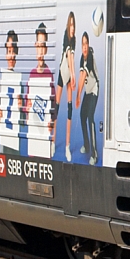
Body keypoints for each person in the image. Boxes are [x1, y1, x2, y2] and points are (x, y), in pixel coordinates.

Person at [26, 23, 56, 158]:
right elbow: (27, 109)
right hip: (34, 141)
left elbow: (53, 110)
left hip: (44, 142)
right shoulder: (31, 75)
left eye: (43, 46)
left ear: (46, 49)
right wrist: (27, 109)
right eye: (38, 46)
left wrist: (51, 126)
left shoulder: (49, 75)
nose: (40, 50)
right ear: (35, 46)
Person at [75, 31, 100, 165]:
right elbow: (80, 77)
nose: (84, 47)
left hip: (94, 89)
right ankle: (87, 144)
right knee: (82, 116)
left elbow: (84, 75)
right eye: (82, 44)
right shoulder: (81, 58)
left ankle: (94, 154)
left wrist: (78, 95)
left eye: (86, 44)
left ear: (88, 44)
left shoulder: (90, 57)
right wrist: (79, 94)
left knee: (90, 118)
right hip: (87, 91)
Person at [54, 12, 77, 162]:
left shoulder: (74, 39)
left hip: (69, 71)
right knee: (56, 107)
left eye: (74, 25)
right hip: (64, 71)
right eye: (71, 25)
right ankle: (52, 141)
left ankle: (67, 146)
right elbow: (68, 56)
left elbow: (73, 58)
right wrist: (73, 75)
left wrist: (73, 74)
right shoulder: (65, 36)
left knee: (69, 109)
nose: (73, 28)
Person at [0, 30, 25, 155]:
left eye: (13, 52)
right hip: (4, 139)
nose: (11, 56)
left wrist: (21, 108)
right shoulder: (1, 81)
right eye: (9, 51)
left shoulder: (19, 82)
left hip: (15, 140)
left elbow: (24, 121)